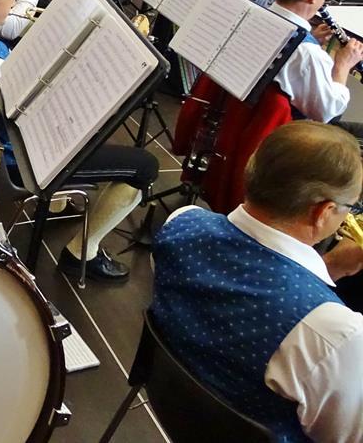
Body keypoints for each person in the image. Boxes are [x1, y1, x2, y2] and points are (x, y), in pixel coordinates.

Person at [0, 0, 158, 281]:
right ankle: (82, 251)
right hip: (18, 159)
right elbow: (36, 117)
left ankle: (61, 203)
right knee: (145, 167)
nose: (14, 2)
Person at [151, 121, 363, 443]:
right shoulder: (335, 332)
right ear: (324, 212)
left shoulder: (181, 223)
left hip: (168, 400)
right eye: (349, 207)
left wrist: (330, 267)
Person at [268, 0, 363, 130]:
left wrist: (311, 37)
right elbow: (327, 113)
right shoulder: (307, 53)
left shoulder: (259, 17)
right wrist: (342, 66)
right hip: (291, 133)